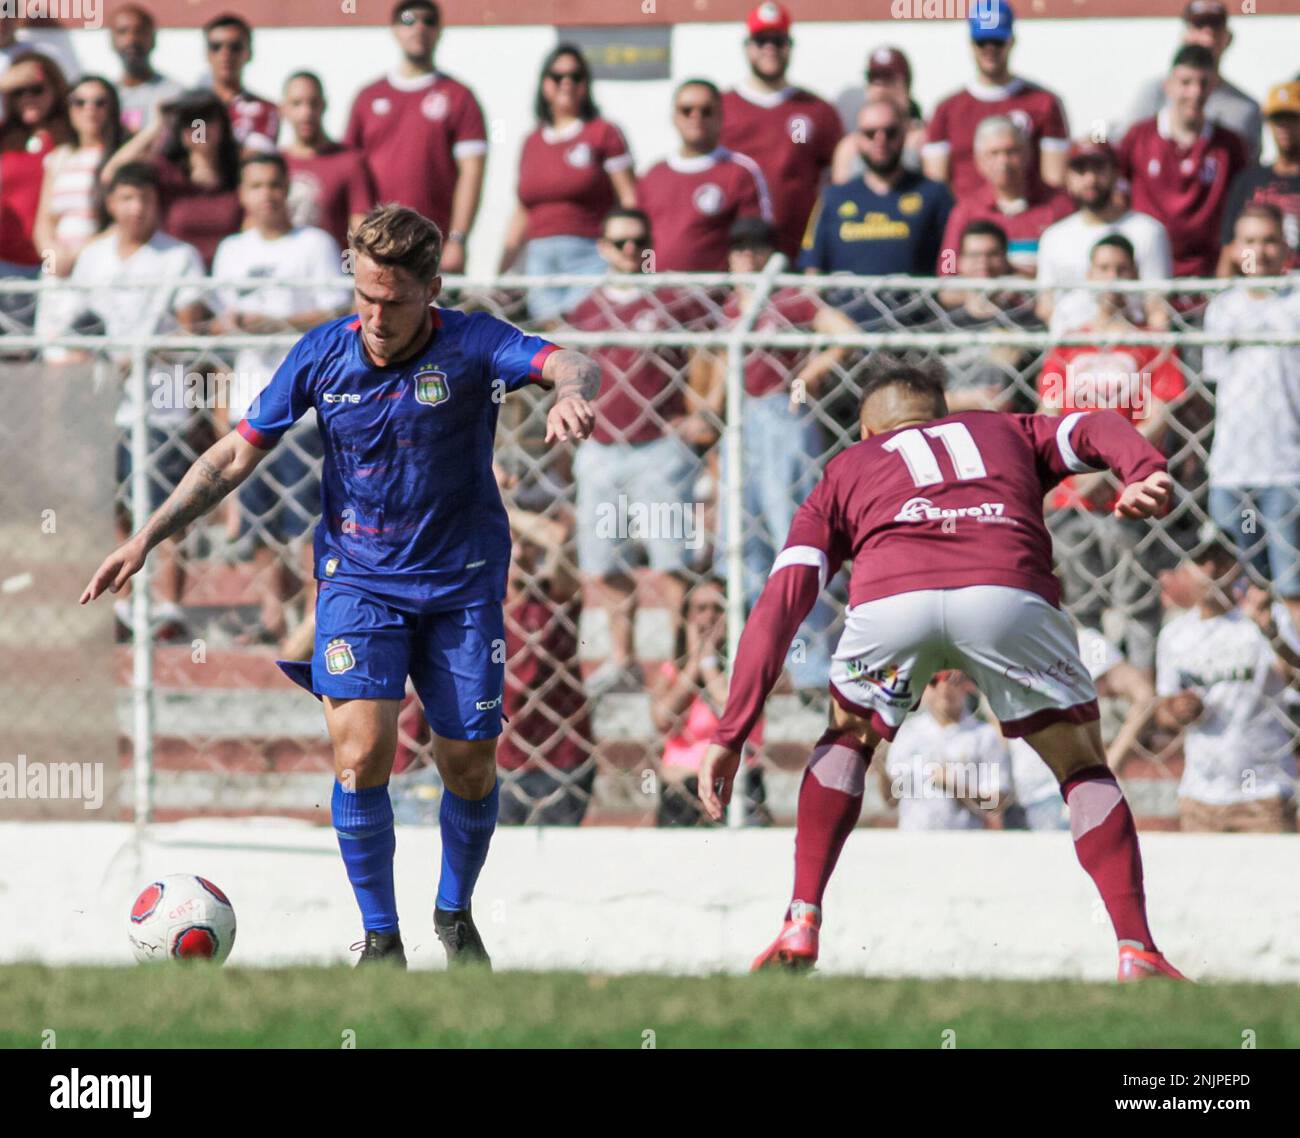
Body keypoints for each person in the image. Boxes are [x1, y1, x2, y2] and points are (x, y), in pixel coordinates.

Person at [80, 203, 602, 969]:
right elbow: (232, 456)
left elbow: (569, 362)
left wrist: (565, 393)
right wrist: (145, 537)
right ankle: (381, 938)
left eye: (393, 301)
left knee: (469, 762)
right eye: (364, 297)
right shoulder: (324, 353)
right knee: (361, 757)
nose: (377, 317)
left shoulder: (475, 342)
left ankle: (454, 916)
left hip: (460, 585)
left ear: (432, 288)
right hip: (358, 581)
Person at [696, 358, 1188, 983]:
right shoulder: (1004, 430)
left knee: (848, 737)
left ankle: (801, 916)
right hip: (1005, 592)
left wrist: (730, 731)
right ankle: (1136, 948)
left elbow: (782, 601)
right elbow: (1093, 424)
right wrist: (1143, 471)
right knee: (1083, 766)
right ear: (943, 416)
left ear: (869, 432)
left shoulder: (846, 470)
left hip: (892, 603)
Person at [561, 207, 714, 695]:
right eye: (621, 242)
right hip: (602, 448)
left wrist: (702, 413)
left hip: (657, 449)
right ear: (603, 248)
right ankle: (623, 660)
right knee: (604, 565)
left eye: (638, 241)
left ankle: (679, 660)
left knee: (670, 563)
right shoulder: (586, 307)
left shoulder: (672, 299)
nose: (631, 250)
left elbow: (712, 349)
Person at [55, 162, 207, 639]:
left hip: (163, 398)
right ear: (111, 203)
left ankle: (171, 604)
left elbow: (190, 328)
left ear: (156, 203)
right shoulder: (95, 257)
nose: (136, 207)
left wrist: (139, 356)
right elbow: (74, 324)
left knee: (170, 506)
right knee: (116, 505)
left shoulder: (178, 256)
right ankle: (124, 604)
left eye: (144, 197)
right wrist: (94, 360)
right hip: (107, 405)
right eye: (125, 198)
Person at [705, 217, 857, 688]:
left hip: (781, 415)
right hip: (742, 419)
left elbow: (846, 334)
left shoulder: (789, 298)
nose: (747, 257)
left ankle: (811, 668)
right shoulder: (732, 306)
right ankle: (764, 659)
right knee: (743, 540)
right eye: (739, 248)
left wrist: (809, 374)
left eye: (757, 248)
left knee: (792, 533)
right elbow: (716, 375)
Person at [209, 153, 351, 649]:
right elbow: (221, 326)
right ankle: (279, 618)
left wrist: (272, 325)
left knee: (308, 525)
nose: (267, 194)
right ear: (242, 194)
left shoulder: (314, 244)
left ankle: (319, 621)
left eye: (275, 184)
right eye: (256, 185)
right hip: (250, 404)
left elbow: (337, 313)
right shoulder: (230, 250)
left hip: (305, 410)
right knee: (261, 526)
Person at [1038, 234, 1186, 673]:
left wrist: (1114, 469)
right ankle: (1099, 696)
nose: (1112, 278)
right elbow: (1047, 416)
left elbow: (1159, 414)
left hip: (1129, 495)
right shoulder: (1069, 343)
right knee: (1082, 607)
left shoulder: (1148, 344)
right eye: (1103, 268)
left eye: (1122, 269)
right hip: (1073, 497)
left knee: (1136, 602)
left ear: (1136, 276)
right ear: (1088, 275)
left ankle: (1141, 694)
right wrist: (1076, 474)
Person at [1203, 203, 1300, 650]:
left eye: (1268, 240)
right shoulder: (1223, 308)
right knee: (1244, 591)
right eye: (1249, 241)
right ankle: (1267, 680)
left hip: (1288, 466)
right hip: (1232, 468)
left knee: (1293, 591)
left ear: (1285, 246)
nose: (1257, 252)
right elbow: (1215, 382)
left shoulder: (1297, 298)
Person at [1156, 533, 1299, 833]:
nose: (1211, 570)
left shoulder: (1264, 620)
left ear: (1238, 566)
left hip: (1264, 794)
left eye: (1221, 561)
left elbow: (1294, 678)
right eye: (1201, 561)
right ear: (1186, 571)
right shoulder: (1174, 633)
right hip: (1199, 797)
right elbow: (1164, 712)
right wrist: (1178, 710)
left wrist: (1272, 635)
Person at [344, 0, 486, 273]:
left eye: (429, 21)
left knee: (435, 316)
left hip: (432, 245)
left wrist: (457, 239)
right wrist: (359, 237)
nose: (419, 27)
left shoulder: (459, 96)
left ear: (439, 30)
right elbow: (352, 174)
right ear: (395, 30)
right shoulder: (368, 97)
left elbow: (472, 173)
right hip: (378, 244)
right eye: (409, 20)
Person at [499, 44, 635, 322]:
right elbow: (523, 209)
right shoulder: (532, 141)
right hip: (538, 260)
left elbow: (630, 199)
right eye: (557, 76)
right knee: (549, 345)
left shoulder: (603, 133)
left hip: (590, 254)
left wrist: (635, 256)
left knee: (587, 332)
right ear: (544, 83)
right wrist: (501, 271)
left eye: (575, 76)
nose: (566, 83)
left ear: (586, 84)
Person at [718, 3, 842, 262]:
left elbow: (836, 184)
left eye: (778, 40)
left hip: (797, 254)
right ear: (748, 46)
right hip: (736, 255)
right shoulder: (720, 108)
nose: (770, 48)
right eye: (761, 40)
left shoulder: (817, 110)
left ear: (790, 45)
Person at [497, 500, 595, 826]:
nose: (520, 553)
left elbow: (559, 537)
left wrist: (499, 505)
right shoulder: (480, 605)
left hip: (561, 755)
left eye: (526, 544)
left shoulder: (552, 599)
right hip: (500, 757)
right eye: (511, 543)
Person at [1005, 623, 1156, 830]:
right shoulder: (1005, 646)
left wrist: (1113, 760)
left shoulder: (1086, 644)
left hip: (1075, 788)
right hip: (1026, 792)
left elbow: (1145, 696)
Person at [1118, 44, 1246, 279]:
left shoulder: (1229, 146)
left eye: (1203, 83)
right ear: (1168, 86)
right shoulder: (1138, 137)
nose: (1195, 93)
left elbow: (1240, 208)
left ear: (1214, 87)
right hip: (1147, 273)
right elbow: (1118, 199)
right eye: (1186, 83)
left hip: (1207, 275)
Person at [922, 1, 1069, 200]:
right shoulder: (947, 110)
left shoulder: (1044, 103)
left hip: (1027, 218)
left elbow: (1055, 180)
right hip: (969, 223)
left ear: (1012, 41)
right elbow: (936, 185)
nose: (990, 50)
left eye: (997, 42)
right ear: (971, 44)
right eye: (982, 42)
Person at [651, 577, 769, 827]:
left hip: (735, 783)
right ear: (687, 617)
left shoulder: (747, 668)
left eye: (718, 609)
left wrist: (709, 664)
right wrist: (694, 665)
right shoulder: (673, 671)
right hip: (682, 785)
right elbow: (662, 718)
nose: (709, 618)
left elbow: (736, 713)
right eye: (700, 609)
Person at [799, 96, 951, 277]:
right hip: (843, 304)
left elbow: (951, 255)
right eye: (870, 133)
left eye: (890, 132)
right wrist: (819, 305)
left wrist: (947, 287)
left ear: (904, 133)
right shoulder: (832, 198)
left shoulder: (935, 194)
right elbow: (812, 266)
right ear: (856, 138)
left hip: (916, 304)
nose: (881, 140)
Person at [1035, 140, 1172, 333]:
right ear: (1068, 178)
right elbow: (1045, 306)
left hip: (1130, 346)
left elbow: (1157, 308)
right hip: (1069, 351)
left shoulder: (1148, 231)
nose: (1090, 179)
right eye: (1081, 171)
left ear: (1116, 173)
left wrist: (1148, 354)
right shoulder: (1053, 237)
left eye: (1099, 169)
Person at [636, 78, 771, 272]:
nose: (696, 117)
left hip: (715, 297)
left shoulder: (740, 171)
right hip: (657, 296)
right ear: (674, 116)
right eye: (686, 110)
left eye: (706, 111)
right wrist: (644, 277)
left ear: (720, 117)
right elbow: (639, 239)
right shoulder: (653, 175)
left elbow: (755, 242)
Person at [101, 88, 244, 270]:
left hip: (227, 278)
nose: (200, 128)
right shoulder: (167, 173)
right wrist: (157, 125)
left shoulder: (239, 172)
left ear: (222, 125)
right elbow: (112, 174)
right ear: (181, 130)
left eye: (207, 119)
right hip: (178, 275)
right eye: (191, 121)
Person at [1127, 1, 1261, 166]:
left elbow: (1249, 176)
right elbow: (1124, 151)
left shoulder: (1246, 109)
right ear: (1184, 36)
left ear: (1228, 38)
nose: (1207, 37)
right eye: (1198, 26)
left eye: (1215, 28)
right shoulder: (1153, 93)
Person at [936, 115, 1071, 277]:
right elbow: (947, 270)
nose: (1003, 162)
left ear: (1028, 153)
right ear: (979, 160)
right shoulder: (964, 212)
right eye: (994, 153)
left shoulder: (1059, 205)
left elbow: (1072, 267)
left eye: (1011, 152)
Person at [881, 671, 1009, 831]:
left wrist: (956, 787)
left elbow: (996, 802)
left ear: (966, 685)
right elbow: (890, 800)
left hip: (965, 842)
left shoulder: (984, 735)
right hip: (914, 840)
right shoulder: (907, 733)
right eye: (934, 681)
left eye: (952, 680)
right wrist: (879, 767)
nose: (943, 688)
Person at [937, 220, 1041, 413]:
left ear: (1005, 261)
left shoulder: (1028, 324)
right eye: (974, 255)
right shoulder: (940, 325)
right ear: (960, 262)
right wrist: (966, 400)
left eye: (992, 254)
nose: (983, 263)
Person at [33, 75, 123, 278]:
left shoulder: (119, 157)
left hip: (102, 267)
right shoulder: (58, 158)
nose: (89, 108)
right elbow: (43, 224)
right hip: (58, 271)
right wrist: (52, 259)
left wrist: (76, 254)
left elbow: (120, 224)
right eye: (79, 102)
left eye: (100, 102)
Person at [280, 71, 375, 252]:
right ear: (283, 109)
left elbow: (360, 226)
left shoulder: (349, 160)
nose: (306, 112)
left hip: (331, 272)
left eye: (313, 103)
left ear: (324, 105)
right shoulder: (275, 163)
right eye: (297, 104)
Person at [0, 53, 70, 288]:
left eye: (37, 89)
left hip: (57, 262)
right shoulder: (4, 138)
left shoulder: (71, 137)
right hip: (6, 262)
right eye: (18, 92)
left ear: (55, 90)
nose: (28, 98)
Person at [1218, 81, 1300, 272]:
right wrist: (1226, 294)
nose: (1284, 127)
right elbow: (1230, 248)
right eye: (1277, 119)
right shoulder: (1249, 180)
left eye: (1291, 118)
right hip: (1254, 285)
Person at [832, 46, 926, 178]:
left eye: (889, 80)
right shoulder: (851, 147)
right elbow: (840, 194)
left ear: (907, 85)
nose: (880, 88)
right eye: (874, 79)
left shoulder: (924, 139)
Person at [200, 13, 278, 153]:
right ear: (206, 53)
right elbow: (196, 148)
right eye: (216, 46)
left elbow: (259, 156)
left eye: (235, 47)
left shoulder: (265, 109)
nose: (225, 54)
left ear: (249, 53)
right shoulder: (194, 109)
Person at [110, 4, 182, 135]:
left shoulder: (174, 94)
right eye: (123, 31)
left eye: (139, 31)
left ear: (153, 39)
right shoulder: (101, 98)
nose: (131, 39)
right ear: (111, 40)